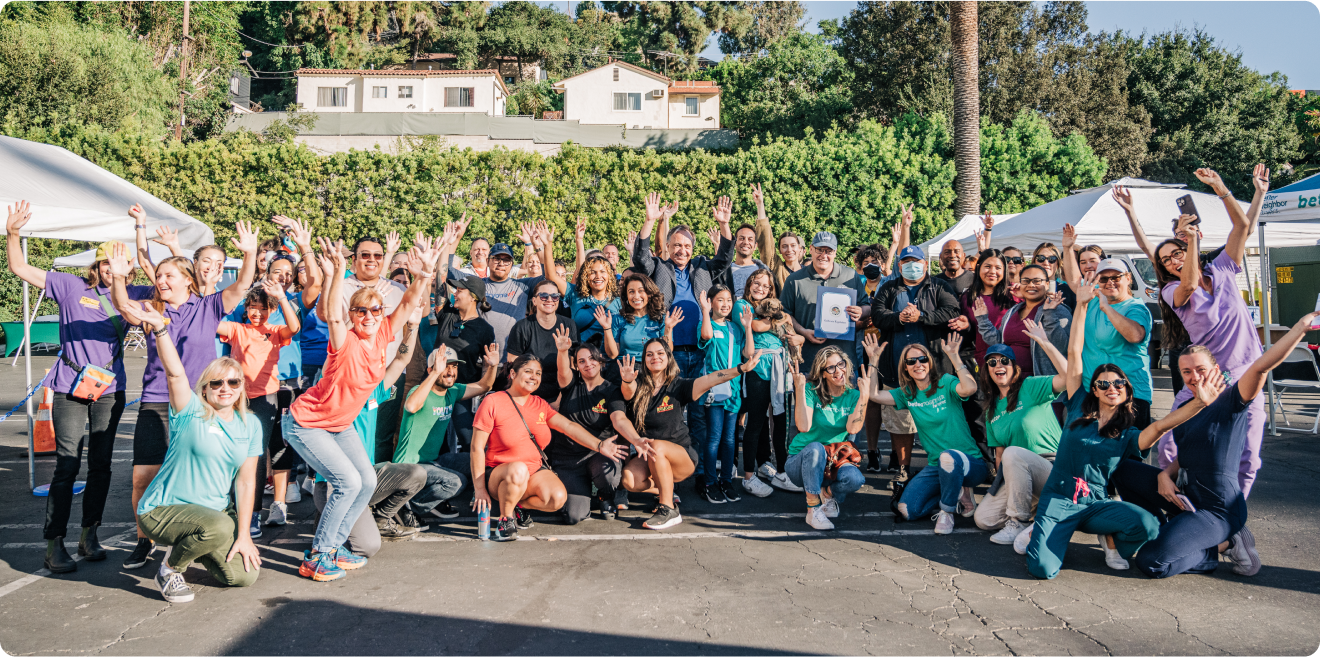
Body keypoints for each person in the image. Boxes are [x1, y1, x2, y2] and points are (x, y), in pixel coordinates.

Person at [1021, 275, 1205, 580]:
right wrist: (1080, 306)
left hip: (1095, 503)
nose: (1111, 387)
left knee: (1148, 526)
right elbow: (1074, 353)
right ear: (1094, 388)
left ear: (1126, 390)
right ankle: (1048, 535)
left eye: (1118, 383)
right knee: (1042, 569)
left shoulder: (1128, 432)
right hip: (1059, 498)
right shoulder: (1078, 402)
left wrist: (1199, 403)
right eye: (1103, 383)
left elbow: (1159, 427)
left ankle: (1110, 540)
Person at [6, 203, 154, 573]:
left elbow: (166, 279)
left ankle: (90, 535)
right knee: (67, 464)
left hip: (110, 388)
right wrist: (12, 235)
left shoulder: (134, 294)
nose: (110, 269)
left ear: (128, 268)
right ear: (96, 266)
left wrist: (141, 228)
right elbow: (20, 268)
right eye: (105, 264)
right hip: (68, 385)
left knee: (102, 465)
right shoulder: (70, 286)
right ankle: (54, 542)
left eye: (119, 264)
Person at [1116, 314, 1317, 579]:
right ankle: (1166, 531)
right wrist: (1165, 474)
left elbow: (1260, 367)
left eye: (1200, 369)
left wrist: (1300, 328)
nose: (1194, 376)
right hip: (1186, 498)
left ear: (1215, 369)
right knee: (1123, 470)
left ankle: (1225, 544)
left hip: (1218, 510)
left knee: (1152, 561)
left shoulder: (1231, 401)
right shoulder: (1187, 407)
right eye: (1186, 371)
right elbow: (1190, 449)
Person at [109, 218, 258, 570]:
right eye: (157, 277)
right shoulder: (150, 309)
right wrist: (117, 276)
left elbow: (243, 285)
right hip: (157, 399)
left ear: (187, 280)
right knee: (142, 476)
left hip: (202, 405)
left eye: (167, 276)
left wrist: (249, 254)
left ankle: (208, 535)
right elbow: (121, 304)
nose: (160, 282)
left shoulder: (208, 306)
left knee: (206, 473)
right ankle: (143, 540)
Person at [283, 238, 433, 581]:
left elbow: (410, 301)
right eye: (361, 311)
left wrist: (423, 273)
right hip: (307, 423)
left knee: (365, 481)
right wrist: (336, 271)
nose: (368, 316)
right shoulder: (343, 339)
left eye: (375, 310)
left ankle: (335, 546)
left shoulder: (382, 335)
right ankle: (318, 555)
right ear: (353, 315)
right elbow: (332, 311)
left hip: (340, 424)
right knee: (348, 482)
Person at [1133, 167, 1269, 498]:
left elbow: (1242, 227)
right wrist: (1189, 243)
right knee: (1169, 442)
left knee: (1248, 456)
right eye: (1166, 261)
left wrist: (1229, 188)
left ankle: (1231, 518)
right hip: (1204, 379)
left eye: (1175, 253)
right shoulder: (1172, 293)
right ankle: (1173, 499)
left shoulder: (1222, 267)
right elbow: (1190, 282)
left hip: (1246, 375)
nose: (1172, 262)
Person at [119, 300, 262, 603]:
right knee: (220, 526)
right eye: (216, 382)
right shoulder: (190, 412)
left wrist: (245, 535)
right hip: (162, 511)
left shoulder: (250, 425)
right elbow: (174, 374)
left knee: (242, 576)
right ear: (205, 388)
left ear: (241, 388)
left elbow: (246, 482)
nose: (225, 387)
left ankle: (198, 542)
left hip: (211, 515)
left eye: (233, 381)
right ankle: (171, 569)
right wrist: (160, 329)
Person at [470, 355, 626, 541]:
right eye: (528, 371)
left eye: (538, 373)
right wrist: (479, 489)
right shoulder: (493, 401)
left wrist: (600, 445)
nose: (533, 377)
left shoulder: (539, 404)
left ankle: (518, 505)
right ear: (513, 373)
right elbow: (476, 448)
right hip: (499, 474)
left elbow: (569, 427)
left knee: (557, 498)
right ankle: (506, 519)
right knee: (518, 469)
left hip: (533, 471)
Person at [313, 306, 430, 553]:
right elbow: (334, 358)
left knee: (416, 474)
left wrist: (413, 326)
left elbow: (401, 359)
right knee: (366, 547)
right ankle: (328, 520)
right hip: (336, 484)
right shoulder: (333, 387)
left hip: (366, 479)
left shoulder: (374, 390)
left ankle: (377, 517)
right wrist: (352, 322)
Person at [632, 192, 734, 459]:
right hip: (670, 353)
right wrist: (650, 220)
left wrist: (724, 225)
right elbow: (641, 257)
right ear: (667, 246)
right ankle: (664, 466)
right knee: (668, 414)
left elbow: (724, 258)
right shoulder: (658, 267)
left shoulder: (702, 266)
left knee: (699, 415)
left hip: (701, 352)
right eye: (677, 245)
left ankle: (699, 471)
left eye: (687, 246)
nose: (682, 251)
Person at [622, 338, 763, 530]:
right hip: (651, 455)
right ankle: (666, 490)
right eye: (650, 354)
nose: (655, 357)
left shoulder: (679, 386)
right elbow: (628, 392)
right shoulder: (637, 386)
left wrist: (740, 369)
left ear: (669, 358)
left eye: (660, 353)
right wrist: (627, 380)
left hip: (682, 457)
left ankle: (668, 509)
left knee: (656, 446)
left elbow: (712, 378)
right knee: (629, 480)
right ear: (644, 360)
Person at [866, 334, 988, 535]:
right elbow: (874, 395)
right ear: (905, 367)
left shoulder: (946, 383)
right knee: (907, 510)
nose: (918, 364)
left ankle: (947, 511)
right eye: (911, 361)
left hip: (970, 463)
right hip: (936, 465)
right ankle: (953, 490)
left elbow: (970, 388)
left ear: (929, 363)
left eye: (922, 359)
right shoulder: (907, 393)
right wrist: (873, 360)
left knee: (948, 457)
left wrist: (954, 357)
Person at [868, 244, 960, 481]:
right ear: (899, 266)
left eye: (916, 262)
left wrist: (923, 317)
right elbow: (877, 316)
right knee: (900, 424)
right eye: (906, 262)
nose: (911, 266)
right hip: (896, 368)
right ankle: (903, 468)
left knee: (938, 420)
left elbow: (952, 311)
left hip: (933, 369)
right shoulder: (889, 287)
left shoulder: (939, 286)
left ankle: (944, 467)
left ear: (925, 264)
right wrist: (898, 317)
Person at [216, 278, 301, 527]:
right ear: (245, 308)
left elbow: (294, 328)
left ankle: (254, 513)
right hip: (237, 399)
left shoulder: (274, 332)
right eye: (253, 307)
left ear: (272, 311)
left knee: (258, 453)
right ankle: (237, 508)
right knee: (238, 453)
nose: (258, 312)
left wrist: (282, 298)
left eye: (264, 308)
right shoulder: (236, 329)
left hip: (266, 398)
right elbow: (210, 322)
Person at [972, 328, 1068, 546]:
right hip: (1017, 474)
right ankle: (1041, 510)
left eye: (1004, 361)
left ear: (1014, 368)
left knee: (1013, 453)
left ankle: (1019, 521)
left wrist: (1045, 343)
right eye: (992, 362)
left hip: (1050, 466)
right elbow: (998, 455)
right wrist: (1001, 488)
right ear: (987, 370)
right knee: (984, 519)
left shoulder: (1031, 386)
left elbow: (1069, 377)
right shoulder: (991, 410)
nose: (999, 365)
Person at [550, 341, 652, 522]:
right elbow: (562, 372)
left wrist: (636, 440)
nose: (588, 364)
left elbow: (619, 419)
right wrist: (562, 351)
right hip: (568, 458)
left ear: (600, 361)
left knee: (608, 476)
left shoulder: (611, 390)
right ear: (576, 365)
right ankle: (584, 490)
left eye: (592, 358)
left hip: (599, 452)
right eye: (581, 361)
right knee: (574, 516)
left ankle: (605, 495)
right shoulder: (570, 385)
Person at [396, 344, 498, 521]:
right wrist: (436, 372)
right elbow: (411, 406)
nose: (450, 371)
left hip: (434, 462)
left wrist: (493, 366)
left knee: (482, 460)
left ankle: (432, 500)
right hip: (409, 467)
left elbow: (484, 386)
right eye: (444, 366)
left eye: (454, 366)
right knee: (456, 482)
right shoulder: (419, 391)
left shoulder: (452, 392)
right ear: (431, 369)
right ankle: (405, 507)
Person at [734, 269, 805, 496]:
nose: (760, 288)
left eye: (765, 286)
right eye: (757, 283)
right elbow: (756, 327)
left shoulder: (775, 308)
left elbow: (792, 330)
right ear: (749, 283)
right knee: (755, 422)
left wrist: (799, 336)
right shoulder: (741, 305)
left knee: (780, 421)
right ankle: (748, 476)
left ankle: (781, 471)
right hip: (757, 368)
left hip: (781, 368)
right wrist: (779, 321)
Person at [788, 347, 871, 530]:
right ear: (823, 374)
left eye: (840, 365)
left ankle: (826, 494)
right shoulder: (811, 390)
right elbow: (804, 426)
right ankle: (813, 509)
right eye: (831, 368)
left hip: (833, 460)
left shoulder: (853, 395)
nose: (838, 371)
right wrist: (799, 389)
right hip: (801, 461)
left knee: (855, 479)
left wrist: (865, 395)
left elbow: (853, 428)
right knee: (816, 447)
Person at [1070, 261, 1154, 428]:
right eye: (1103, 278)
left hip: (1129, 395)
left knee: (1130, 451)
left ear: (1128, 278)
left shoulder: (1135, 307)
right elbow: (1074, 280)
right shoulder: (1091, 301)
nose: (1110, 282)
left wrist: (1107, 308)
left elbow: (1135, 336)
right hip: (1093, 393)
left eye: (1116, 277)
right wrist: (1068, 247)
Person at [695, 286, 756, 504]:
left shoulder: (735, 328)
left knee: (730, 440)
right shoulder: (707, 324)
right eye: (720, 300)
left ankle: (726, 481)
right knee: (714, 438)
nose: (726, 304)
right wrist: (704, 311)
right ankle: (710, 482)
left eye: (729, 300)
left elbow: (748, 354)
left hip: (734, 390)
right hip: (714, 390)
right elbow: (706, 336)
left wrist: (748, 327)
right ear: (711, 301)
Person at [780, 231, 870, 370]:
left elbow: (867, 306)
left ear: (835, 252)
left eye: (829, 251)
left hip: (844, 361)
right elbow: (785, 314)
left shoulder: (850, 275)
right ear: (810, 249)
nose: (824, 255)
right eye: (819, 250)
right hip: (809, 360)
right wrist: (803, 331)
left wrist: (860, 312)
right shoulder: (794, 280)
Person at [974, 264, 1072, 378]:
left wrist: (1050, 314)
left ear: (1047, 284)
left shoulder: (1058, 310)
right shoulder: (1013, 311)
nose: (1031, 285)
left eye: (1037, 281)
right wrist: (983, 319)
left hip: (1041, 381)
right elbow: (998, 342)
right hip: (1010, 380)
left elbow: (1062, 347)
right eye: (1026, 281)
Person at [507, 279, 580, 402]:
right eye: (544, 296)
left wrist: (562, 399)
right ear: (534, 300)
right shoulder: (522, 327)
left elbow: (574, 366)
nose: (550, 300)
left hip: (563, 394)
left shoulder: (569, 325)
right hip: (529, 394)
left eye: (555, 296)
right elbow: (513, 362)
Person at [953, 250, 1015, 367]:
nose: (992, 271)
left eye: (998, 268)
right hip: (982, 361)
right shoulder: (968, 297)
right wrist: (967, 326)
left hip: (1010, 360)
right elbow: (972, 334)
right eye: (987, 266)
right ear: (978, 268)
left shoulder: (1014, 294)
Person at [561, 228, 621, 348]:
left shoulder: (619, 299)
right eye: (592, 270)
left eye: (602, 270)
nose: (598, 275)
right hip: (583, 358)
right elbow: (552, 275)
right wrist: (579, 240)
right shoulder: (575, 294)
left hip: (608, 359)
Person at [602, 273, 680, 361]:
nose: (636, 296)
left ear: (649, 294)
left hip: (652, 368)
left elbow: (667, 352)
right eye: (631, 292)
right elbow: (612, 355)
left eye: (641, 291)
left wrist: (668, 328)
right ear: (626, 296)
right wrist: (606, 328)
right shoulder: (618, 319)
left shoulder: (661, 319)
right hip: (626, 369)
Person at [749, 183, 804, 295]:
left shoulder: (809, 272)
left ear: (799, 248)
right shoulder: (776, 268)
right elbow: (765, 241)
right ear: (779, 250)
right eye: (784, 246)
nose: (789, 250)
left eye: (793, 245)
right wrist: (760, 204)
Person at [1030, 242, 1076, 310]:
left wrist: (1061, 307)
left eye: (1052, 259)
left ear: (1057, 264)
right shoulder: (1027, 289)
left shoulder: (1068, 291)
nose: (1046, 263)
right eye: (1041, 258)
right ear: (1034, 262)